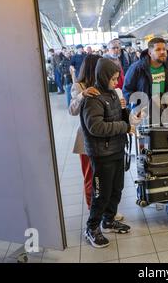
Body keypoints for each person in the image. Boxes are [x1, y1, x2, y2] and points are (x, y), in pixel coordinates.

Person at [81, 58, 134, 248]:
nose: (115, 82)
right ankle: (92, 228)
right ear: (103, 77)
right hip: (102, 154)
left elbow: (118, 116)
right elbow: (96, 127)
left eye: (117, 78)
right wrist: (124, 126)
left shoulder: (112, 94)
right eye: (113, 78)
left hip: (117, 149)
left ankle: (109, 220)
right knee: (101, 194)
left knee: (116, 189)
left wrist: (127, 115)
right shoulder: (92, 98)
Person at [68, 55, 125, 222]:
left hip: (110, 141)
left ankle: (108, 213)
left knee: (112, 182)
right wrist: (82, 95)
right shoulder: (80, 86)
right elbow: (72, 110)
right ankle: (94, 212)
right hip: (88, 139)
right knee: (92, 179)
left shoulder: (110, 88)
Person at [123, 37, 168, 108]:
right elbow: (127, 90)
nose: (162, 52)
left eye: (164, 49)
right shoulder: (137, 67)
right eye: (158, 50)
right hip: (146, 111)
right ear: (150, 53)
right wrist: (137, 107)